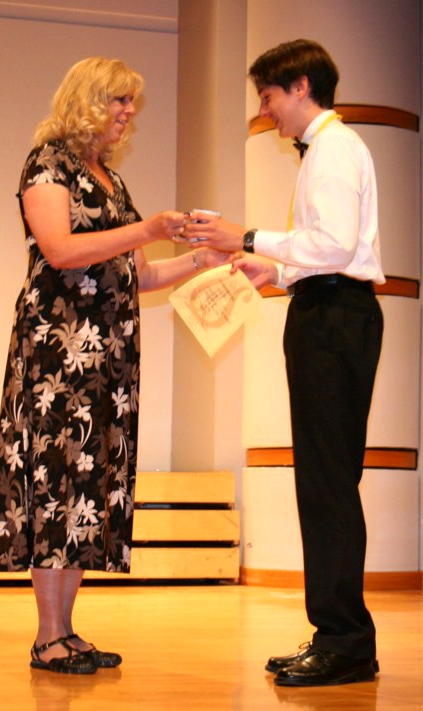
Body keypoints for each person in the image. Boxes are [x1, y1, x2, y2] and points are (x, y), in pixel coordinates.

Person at [0, 56, 226, 675]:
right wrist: (148, 228)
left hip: (108, 362)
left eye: (130, 103)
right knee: (55, 483)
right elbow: (61, 250)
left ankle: (67, 630)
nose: (128, 113)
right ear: (88, 101)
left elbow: (141, 275)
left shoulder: (110, 180)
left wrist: (203, 261)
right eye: (119, 101)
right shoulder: (48, 164)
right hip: (59, 355)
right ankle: (47, 637)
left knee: (87, 487)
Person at [185, 39, 385, 687]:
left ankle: (344, 640)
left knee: (326, 482)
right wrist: (272, 271)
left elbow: (335, 245)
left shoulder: (333, 148)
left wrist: (244, 236)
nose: (265, 110)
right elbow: (328, 250)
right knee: (326, 479)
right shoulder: (329, 149)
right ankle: (338, 634)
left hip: (334, 316)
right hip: (327, 309)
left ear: (300, 86)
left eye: (268, 96)